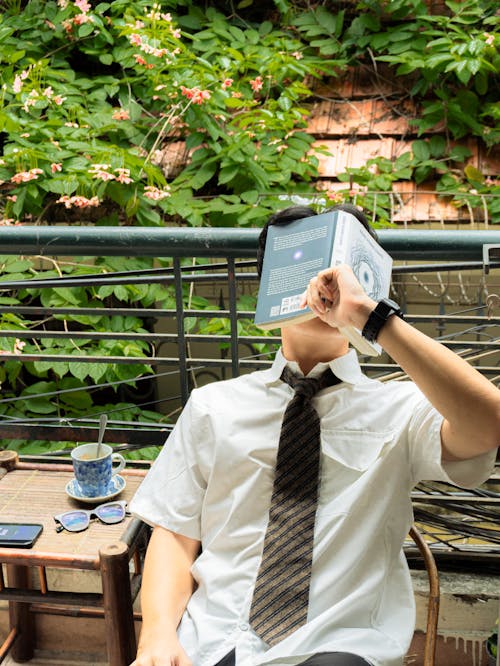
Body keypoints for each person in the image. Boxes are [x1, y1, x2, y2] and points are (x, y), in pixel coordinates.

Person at [129, 204, 499, 666]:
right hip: (215, 640)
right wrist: (158, 636)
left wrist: (371, 317)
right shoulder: (213, 406)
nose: (319, 285)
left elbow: (489, 424)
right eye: (301, 267)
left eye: (334, 272)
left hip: (339, 645)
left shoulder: (401, 408)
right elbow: (175, 531)